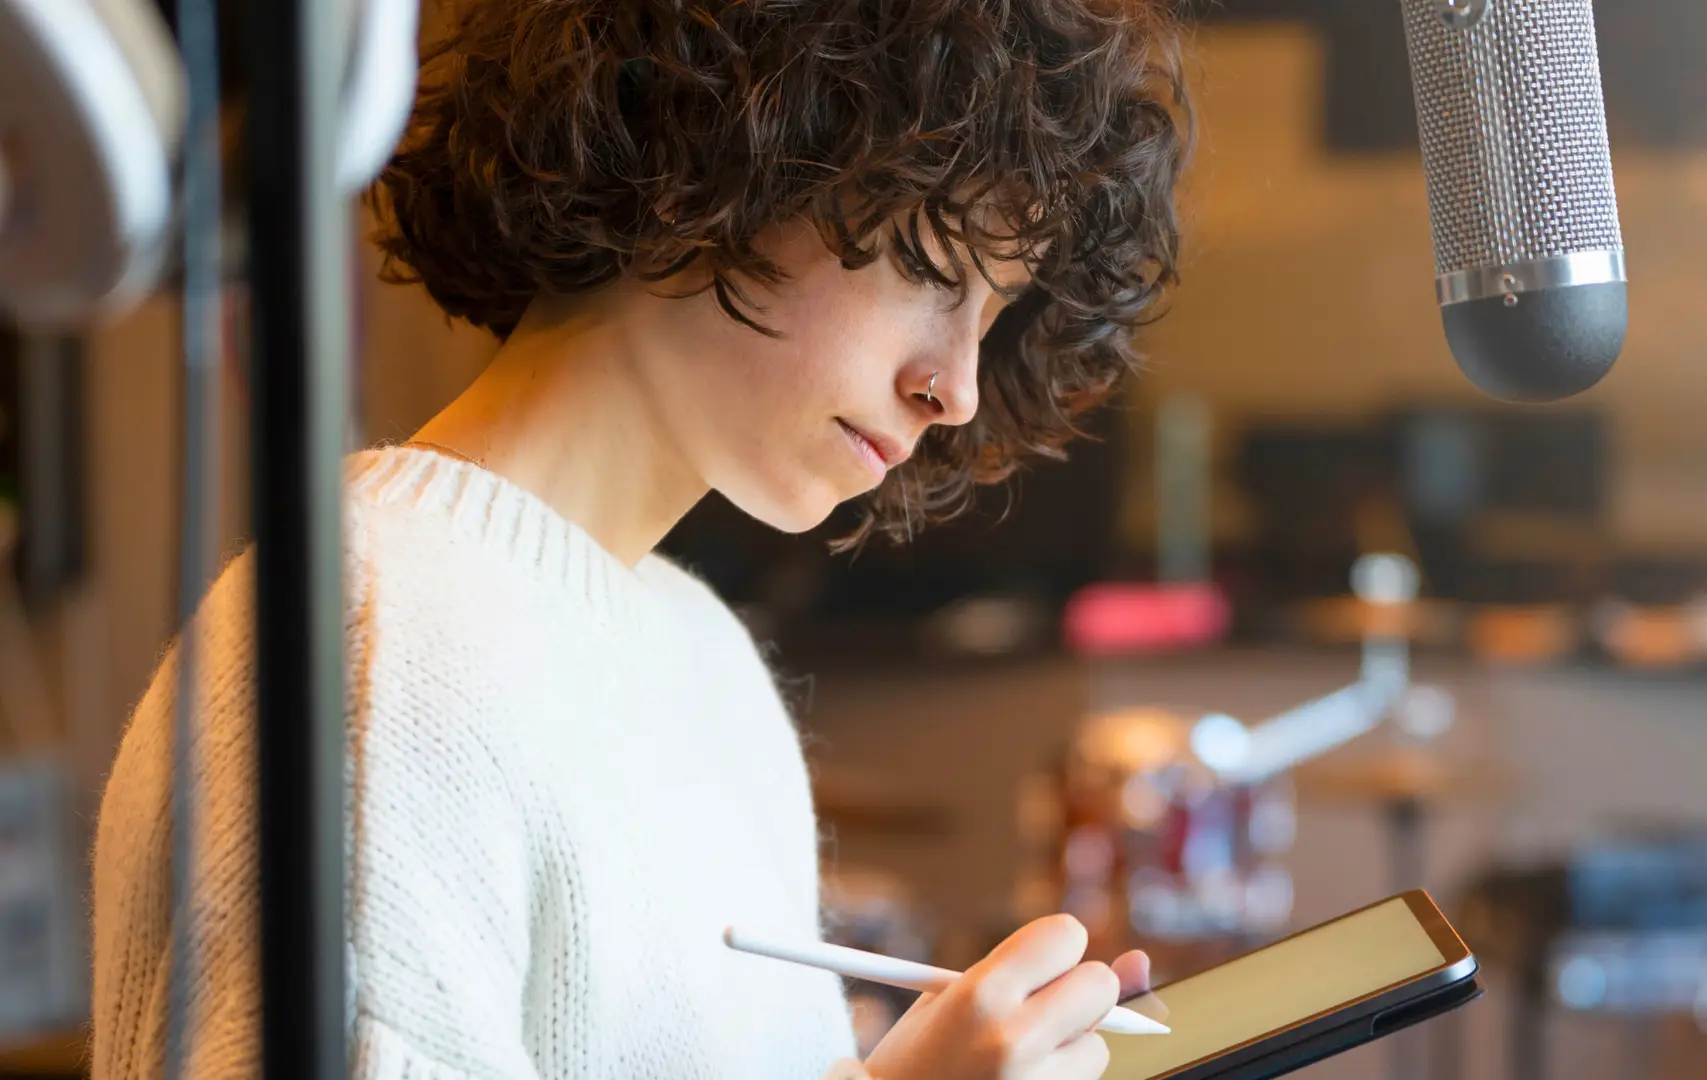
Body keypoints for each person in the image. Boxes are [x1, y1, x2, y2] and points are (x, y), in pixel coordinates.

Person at [91, 0, 1188, 1076]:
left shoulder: (703, 655)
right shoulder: (376, 654)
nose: (954, 388)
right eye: (932, 271)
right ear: (730, 149)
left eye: (991, 320)